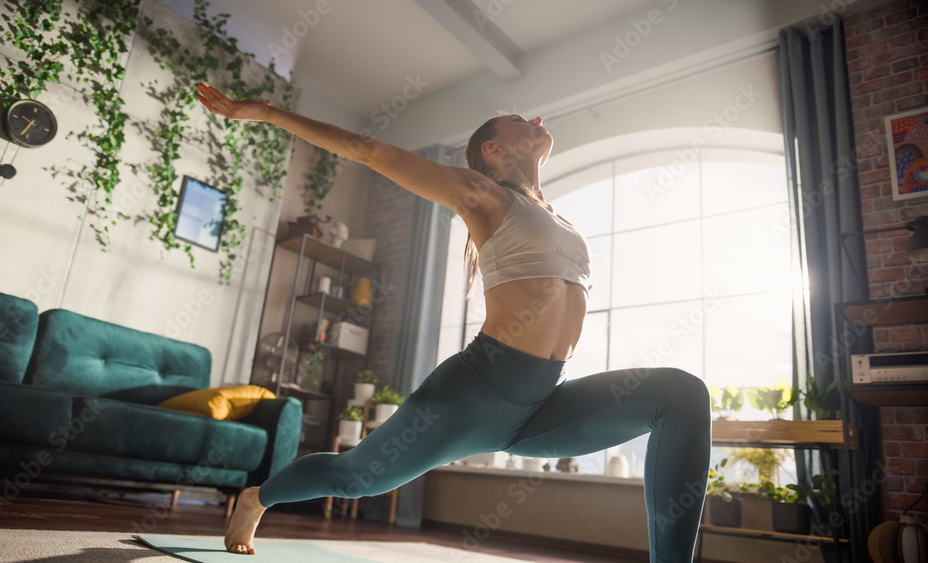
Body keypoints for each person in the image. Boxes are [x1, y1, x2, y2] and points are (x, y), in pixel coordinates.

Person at [194, 82, 711, 562]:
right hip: (475, 393)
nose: (532, 119)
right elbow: (368, 151)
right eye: (516, 120)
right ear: (491, 148)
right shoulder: (481, 195)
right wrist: (262, 111)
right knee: (356, 479)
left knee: (681, 395)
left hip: (542, 402)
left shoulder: (556, 217)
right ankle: (258, 497)